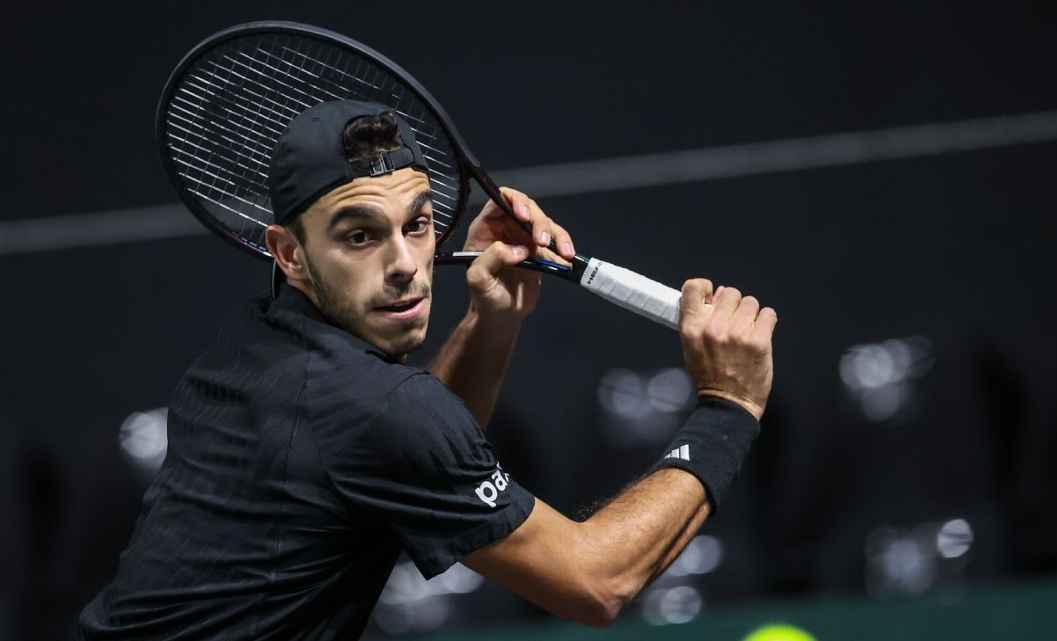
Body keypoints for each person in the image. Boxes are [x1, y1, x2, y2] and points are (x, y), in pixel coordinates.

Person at [77, 100, 777, 639]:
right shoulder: (371, 405)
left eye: (418, 223)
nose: (407, 263)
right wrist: (727, 408)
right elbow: (597, 580)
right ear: (288, 253)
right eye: (360, 235)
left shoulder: (249, 351)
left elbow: (409, 454)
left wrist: (490, 321)